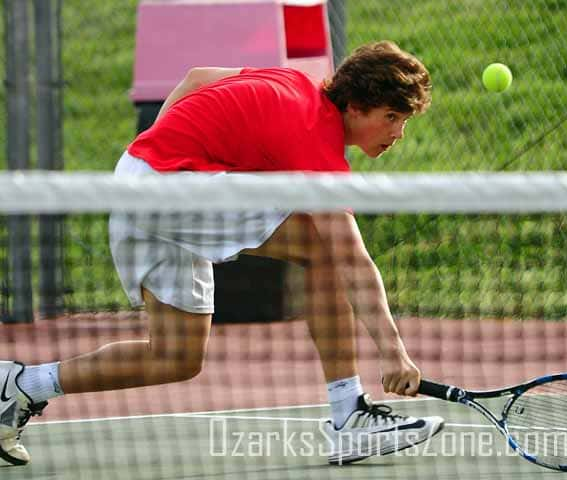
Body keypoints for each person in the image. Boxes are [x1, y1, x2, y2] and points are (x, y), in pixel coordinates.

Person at [0, 40, 443, 466]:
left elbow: (196, 79)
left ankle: (21, 384)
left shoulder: (294, 82)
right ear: (356, 106)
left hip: (141, 175)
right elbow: (350, 259)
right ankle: (348, 413)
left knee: (175, 358)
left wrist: (162, 146)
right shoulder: (313, 135)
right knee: (325, 250)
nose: (398, 133)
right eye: (391, 117)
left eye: (403, 121)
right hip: (169, 186)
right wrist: (393, 351)